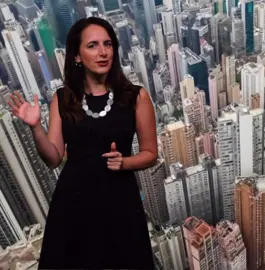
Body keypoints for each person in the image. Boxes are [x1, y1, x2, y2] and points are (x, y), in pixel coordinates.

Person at [7, 17, 157, 269]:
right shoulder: (63, 98)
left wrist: (124, 163)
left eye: (108, 44)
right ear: (77, 56)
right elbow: (53, 158)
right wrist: (35, 127)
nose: (102, 52)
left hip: (119, 202)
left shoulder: (136, 96)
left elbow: (151, 153)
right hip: (74, 203)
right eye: (93, 45)